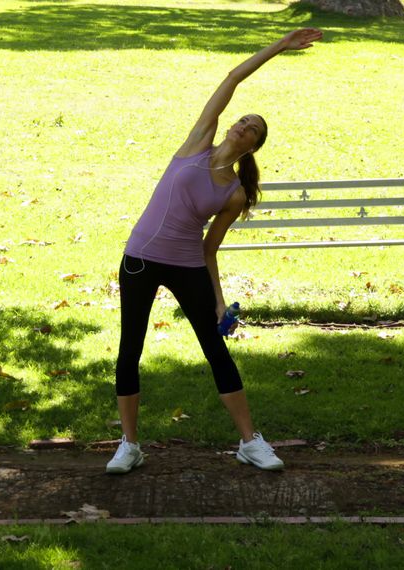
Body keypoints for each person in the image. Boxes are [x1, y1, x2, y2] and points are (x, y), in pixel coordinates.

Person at [107, 28, 324, 474]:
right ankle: (128, 445)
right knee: (130, 349)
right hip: (141, 258)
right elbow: (232, 79)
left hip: (187, 264)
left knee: (215, 350)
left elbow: (209, 249)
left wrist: (219, 298)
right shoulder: (196, 145)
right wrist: (281, 46)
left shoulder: (235, 194)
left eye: (253, 129)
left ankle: (251, 441)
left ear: (253, 146)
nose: (244, 125)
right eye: (244, 120)